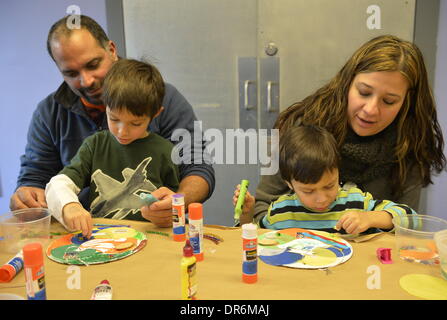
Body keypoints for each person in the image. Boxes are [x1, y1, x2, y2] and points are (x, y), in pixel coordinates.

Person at [10, 15, 215, 227]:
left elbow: (197, 167)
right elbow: (35, 178)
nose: (87, 81)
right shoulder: (49, 114)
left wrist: (177, 202)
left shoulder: (163, 99)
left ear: (112, 50)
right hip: (84, 235)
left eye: (93, 64)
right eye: (71, 73)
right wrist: (28, 197)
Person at [253, 35, 446, 224]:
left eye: (389, 101)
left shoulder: (409, 145)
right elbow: (262, 208)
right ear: (347, 83)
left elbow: (406, 224)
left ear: (406, 102)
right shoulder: (302, 130)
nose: (370, 110)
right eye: (364, 92)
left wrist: (374, 220)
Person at [45, 59, 179, 237]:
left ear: (155, 114)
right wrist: (69, 206)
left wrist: (168, 213)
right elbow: (58, 184)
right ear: (105, 106)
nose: (122, 131)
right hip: (100, 241)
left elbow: (175, 205)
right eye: (114, 119)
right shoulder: (95, 145)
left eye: (136, 123)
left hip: (150, 240)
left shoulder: (165, 152)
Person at [233, 125, 417, 234]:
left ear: (338, 173)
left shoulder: (356, 202)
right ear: (289, 184)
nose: (321, 198)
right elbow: (254, 238)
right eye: (308, 191)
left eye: (329, 186)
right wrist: (246, 214)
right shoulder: (281, 213)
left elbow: (412, 219)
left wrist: (371, 218)